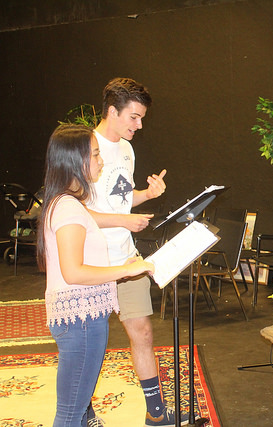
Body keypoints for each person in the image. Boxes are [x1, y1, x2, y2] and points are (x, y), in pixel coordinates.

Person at [37, 124, 154, 426]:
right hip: (82, 322)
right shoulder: (69, 209)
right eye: (96, 154)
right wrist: (127, 269)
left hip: (81, 319)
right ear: (75, 161)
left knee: (75, 409)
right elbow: (73, 272)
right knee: (71, 413)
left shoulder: (66, 204)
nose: (101, 160)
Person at [85, 78, 184, 426]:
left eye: (141, 118)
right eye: (134, 117)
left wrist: (148, 194)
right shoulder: (84, 148)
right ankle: (84, 412)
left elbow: (121, 198)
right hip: (91, 264)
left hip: (127, 259)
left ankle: (155, 413)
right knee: (90, 346)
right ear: (112, 112)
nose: (138, 125)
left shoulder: (126, 150)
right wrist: (122, 221)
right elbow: (72, 212)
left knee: (142, 332)